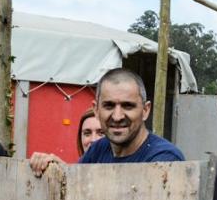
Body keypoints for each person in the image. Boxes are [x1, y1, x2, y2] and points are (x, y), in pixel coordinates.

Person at [29, 68, 184, 174]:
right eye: (109, 105)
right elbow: (76, 191)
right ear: (96, 110)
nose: (117, 116)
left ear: (145, 110)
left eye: (127, 106)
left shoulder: (165, 159)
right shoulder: (97, 151)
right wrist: (58, 169)